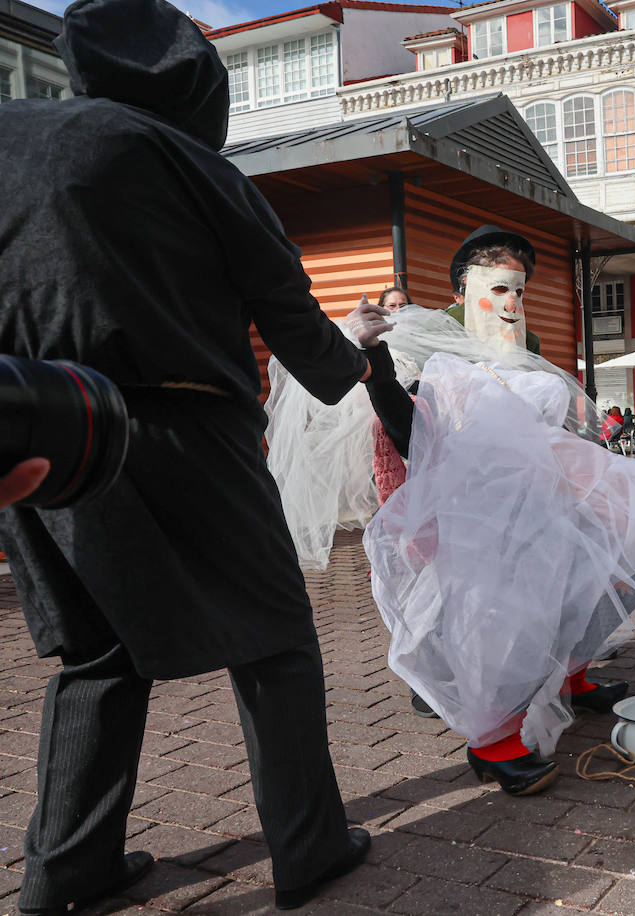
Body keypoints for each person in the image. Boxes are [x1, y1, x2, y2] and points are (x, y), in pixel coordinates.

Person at [0, 0, 372, 909]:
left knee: (99, 655)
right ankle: (309, 849)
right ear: (203, 85)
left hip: (34, 421)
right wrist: (359, 362)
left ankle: (66, 876)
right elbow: (291, 316)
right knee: (276, 641)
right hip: (184, 425)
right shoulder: (192, 162)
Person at [352, 228, 635, 797]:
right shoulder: (444, 368)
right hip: (483, 521)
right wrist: (374, 358)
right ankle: (492, 741)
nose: (514, 302)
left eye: (521, 289)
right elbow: (409, 431)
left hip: (548, 505)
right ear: (466, 291)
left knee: (599, 581)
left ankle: (572, 676)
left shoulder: (529, 362)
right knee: (502, 624)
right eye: (501, 289)